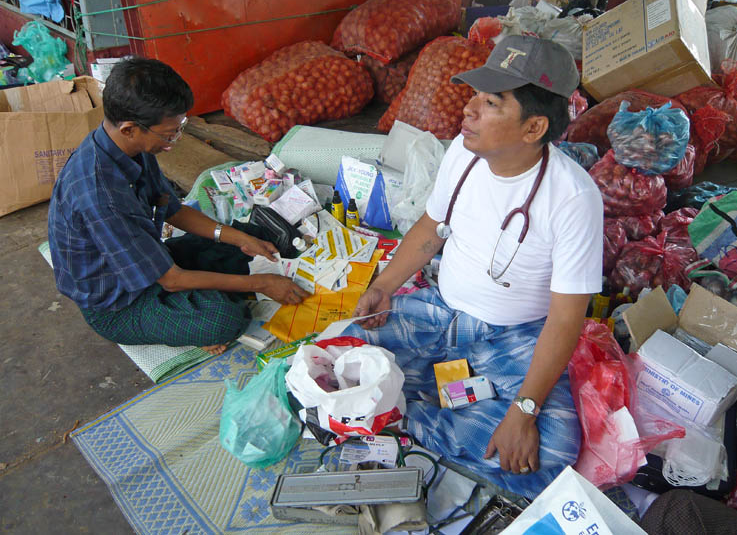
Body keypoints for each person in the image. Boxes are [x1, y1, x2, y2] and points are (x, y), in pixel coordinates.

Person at [345, 35, 603, 498]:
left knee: (555, 447)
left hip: (514, 337)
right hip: (439, 312)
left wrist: (524, 410)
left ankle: (400, 416)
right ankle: (426, 416)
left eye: (490, 102)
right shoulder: (463, 154)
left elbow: (566, 318)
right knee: (339, 352)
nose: (469, 109)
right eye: (474, 95)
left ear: (533, 127)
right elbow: (430, 229)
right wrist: (385, 285)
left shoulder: (574, 197)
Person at [48, 57, 308, 355]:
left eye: (179, 128)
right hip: (118, 303)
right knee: (225, 319)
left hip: (150, 258)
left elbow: (172, 209)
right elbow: (171, 280)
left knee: (253, 237)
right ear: (130, 128)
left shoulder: (130, 148)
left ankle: (214, 290)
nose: (174, 141)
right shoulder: (100, 193)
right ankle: (199, 311)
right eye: (169, 133)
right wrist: (262, 283)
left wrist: (241, 239)